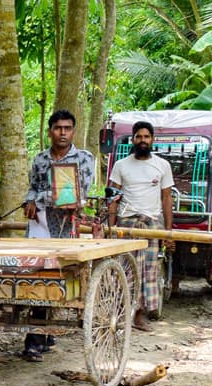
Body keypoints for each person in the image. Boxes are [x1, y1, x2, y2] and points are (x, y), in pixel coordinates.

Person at [21, 109, 95, 361]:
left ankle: (40, 335)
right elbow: (32, 187)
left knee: (55, 279)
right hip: (39, 226)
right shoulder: (40, 159)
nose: (62, 133)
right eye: (57, 128)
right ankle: (37, 337)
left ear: (73, 131)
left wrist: (37, 199)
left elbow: (73, 194)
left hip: (65, 228)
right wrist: (28, 201)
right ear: (50, 131)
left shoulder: (84, 158)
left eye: (67, 128)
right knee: (37, 277)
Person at [109, 120, 174, 332]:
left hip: (151, 224)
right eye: (139, 136)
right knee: (125, 269)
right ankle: (121, 314)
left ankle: (139, 315)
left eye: (146, 136)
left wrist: (168, 232)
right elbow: (112, 199)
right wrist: (110, 230)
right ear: (133, 139)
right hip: (126, 223)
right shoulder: (121, 165)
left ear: (152, 140)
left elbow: (166, 199)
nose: (143, 140)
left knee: (148, 271)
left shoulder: (162, 165)